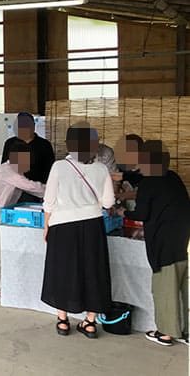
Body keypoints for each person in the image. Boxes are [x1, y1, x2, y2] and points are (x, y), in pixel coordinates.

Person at [41, 122, 115, 339]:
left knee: (62, 271)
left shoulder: (59, 167)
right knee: (93, 271)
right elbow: (108, 203)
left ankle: (63, 320)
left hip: (62, 226)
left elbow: (49, 201)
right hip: (93, 225)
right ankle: (90, 322)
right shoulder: (101, 168)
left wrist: (46, 226)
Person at [123, 141, 190, 347]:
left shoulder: (149, 182)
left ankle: (167, 332)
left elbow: (142, 213)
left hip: (164, 241)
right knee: (183, 285)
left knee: (165, 287)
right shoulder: (172, 177)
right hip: (182, 237)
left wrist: (123, 212)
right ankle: (186, 331)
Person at [0, 140, 45, 301]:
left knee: (3, 252)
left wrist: (48, 197)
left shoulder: (14, 171)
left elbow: (32, 189)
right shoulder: (8, 171)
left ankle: (2, 283)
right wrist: (51, 190)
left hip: (1, 216)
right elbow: (30, 186)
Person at [1, 112, 55, 202]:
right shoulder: (10, 143)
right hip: (13, 190)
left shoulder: (44, 145)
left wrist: (47, 191)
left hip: (37, 192)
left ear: (33, 126)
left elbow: (50, 170)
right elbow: (5, 166)